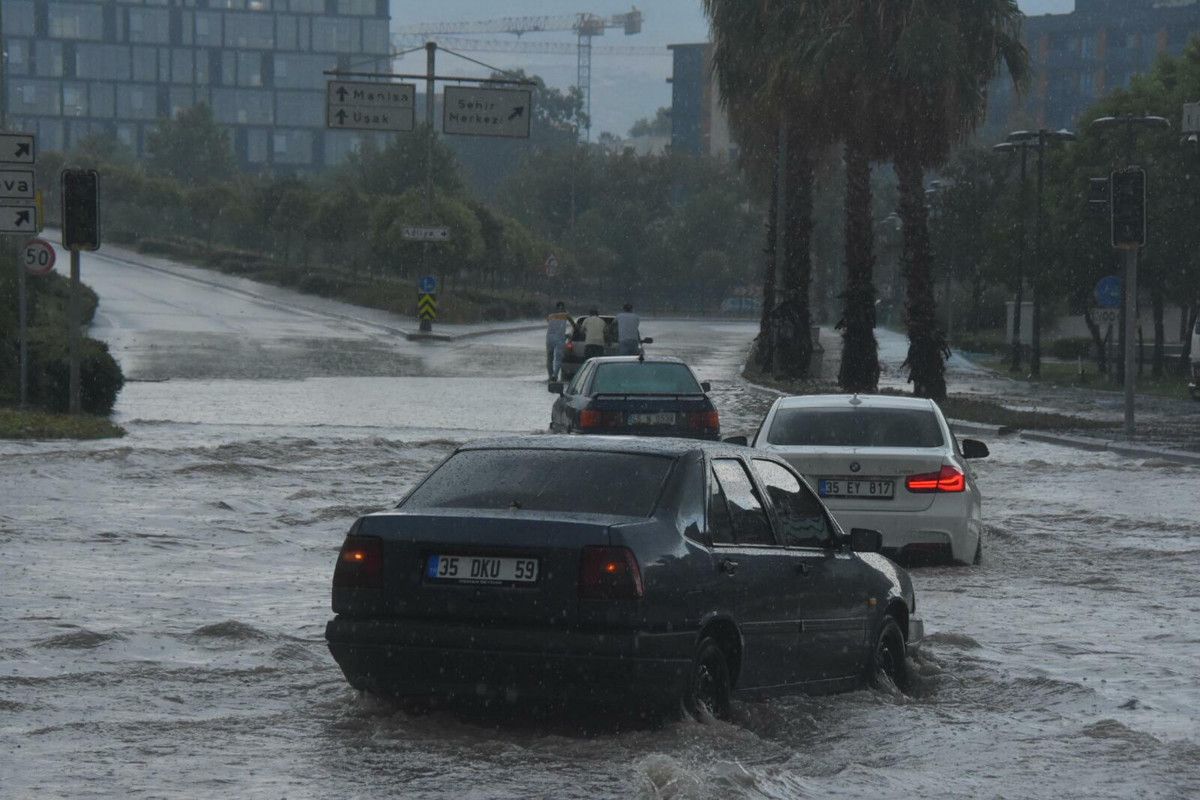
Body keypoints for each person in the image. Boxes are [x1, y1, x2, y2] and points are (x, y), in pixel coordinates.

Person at [545, 302, 571, 381]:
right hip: (559, 339)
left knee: (550, 358)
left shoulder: (550, 316)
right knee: (558, 358)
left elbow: (552, 325)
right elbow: (574, 325)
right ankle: (555, 376)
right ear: (563, 308)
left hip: (549, 338)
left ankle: (550, 376)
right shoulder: (566, 315)